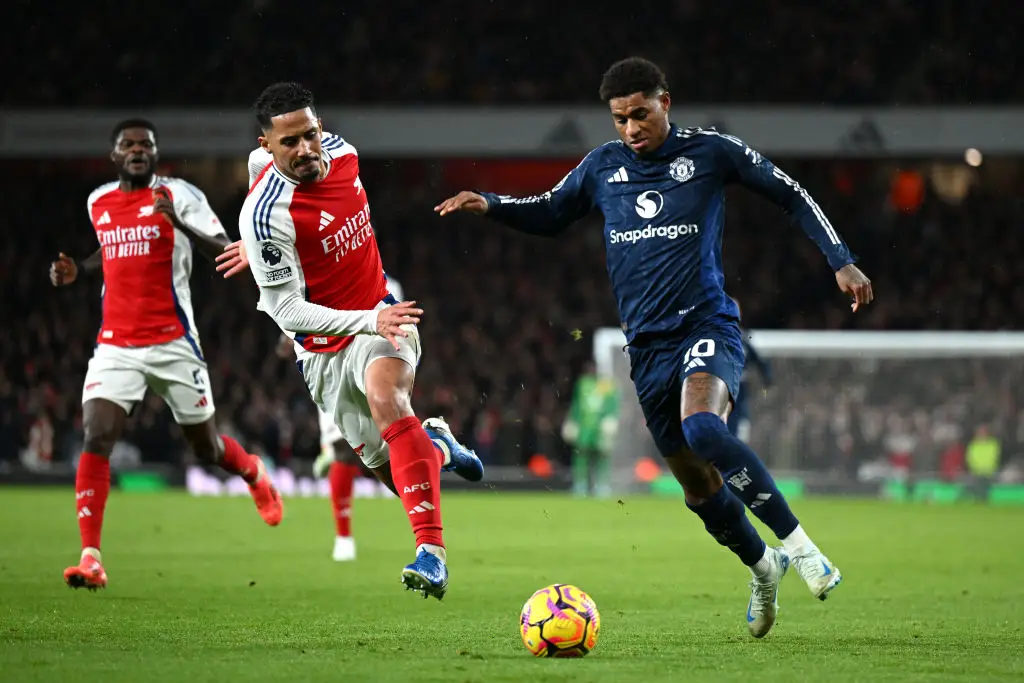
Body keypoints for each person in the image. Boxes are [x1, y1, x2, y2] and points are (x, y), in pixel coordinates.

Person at [434, 57, 874, 637]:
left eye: (640, 114)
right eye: (619, 119)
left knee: (704, 430)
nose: (630, 128)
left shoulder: (712, 152)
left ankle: (802, 546)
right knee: (697, 488)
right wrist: (491, 203)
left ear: (666, 101)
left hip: (707, 325)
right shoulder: (601, 167)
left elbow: (790, 193)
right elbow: (550, 212)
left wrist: (840, 259)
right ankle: (765, 567)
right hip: (646, 350)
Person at [219, 82, 483, 599]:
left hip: (381, 315)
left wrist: (371, 318)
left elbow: (261, 170)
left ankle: (431, 556)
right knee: (393, 474)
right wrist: (262, 244)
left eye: (309, 135)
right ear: (266, 144)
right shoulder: (267, 215)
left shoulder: (345, 153)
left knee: (389, 398)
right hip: (321, 348)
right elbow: (286, 310)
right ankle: (439, 449)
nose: (305, 150)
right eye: (288, 143)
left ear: (321, 129)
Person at [49, 119, 283, 591]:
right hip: (115, 343)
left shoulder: (180, 194)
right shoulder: (99, 201)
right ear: (115, 155)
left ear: (156, 153)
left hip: (174, 342)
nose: (137, 151)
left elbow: (228, 248)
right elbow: (110, 249)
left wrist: (177, 222)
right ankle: (91, 557)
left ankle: (252, 470)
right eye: (128, 145)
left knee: (206, 448)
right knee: (96, 434)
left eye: (145, 145)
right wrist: (80, 270)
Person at [276, 275, 406, 562]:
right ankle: (343, 536)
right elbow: (295, 310)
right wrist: (288, 339)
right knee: (344, 450)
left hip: (371, 368)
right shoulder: (314, 273)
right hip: (329, 364)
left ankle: (435, 455)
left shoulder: (388, 285)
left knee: (380, 453)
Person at [561, 360, 618, 497]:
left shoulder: (605, 384)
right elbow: (576, 404)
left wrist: (611, 419)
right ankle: (580, 486)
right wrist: (571, 421)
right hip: (584, 427)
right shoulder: (581, 384)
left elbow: (612, 403)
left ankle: (602, 486)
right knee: (580, 456)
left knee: (602, 456)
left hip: (599, 427)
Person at [727, 299, 773, 445]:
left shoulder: (744, 339)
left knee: (740, 425)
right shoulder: (716, 336)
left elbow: (760, 361)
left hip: (739, 390)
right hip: (721, 387)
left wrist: (767, 380)